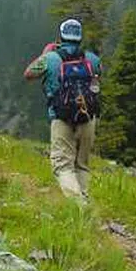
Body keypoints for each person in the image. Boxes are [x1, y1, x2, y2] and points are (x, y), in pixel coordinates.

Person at [23, 18, 102, 200]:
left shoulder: (51, 58)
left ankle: (79, 207)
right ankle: (84, 201)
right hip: (88, 117)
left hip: (62, 117)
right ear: (80, 38)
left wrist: (45, 53)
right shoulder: (92, 59)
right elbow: (99, 76)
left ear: (60, 37)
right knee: (81, 164)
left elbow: (28, 73)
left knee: (62, 165)